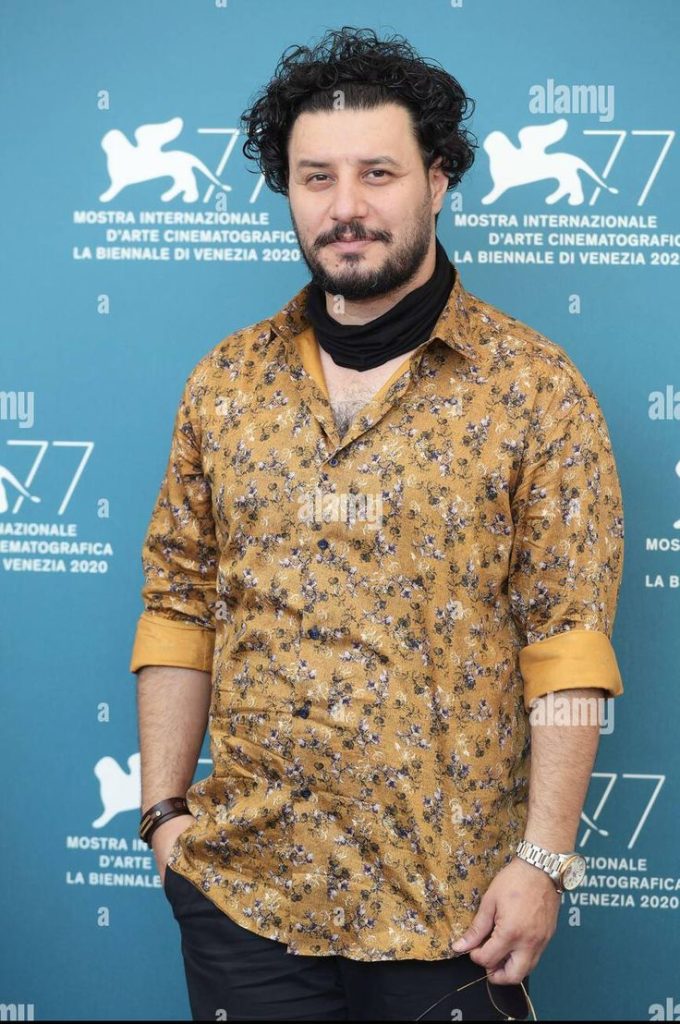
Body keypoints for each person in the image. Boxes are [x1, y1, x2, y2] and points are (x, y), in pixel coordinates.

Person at [129, 26, 624, 1022]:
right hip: (245, 898)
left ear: (437, 181)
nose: (344, 206)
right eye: (316, 177)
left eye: (377, 173)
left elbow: (567, 645)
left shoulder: (534, 389)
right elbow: (179, 606)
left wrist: (542, 861)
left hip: (450, 912)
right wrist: (163, 818)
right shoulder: (226, 383)